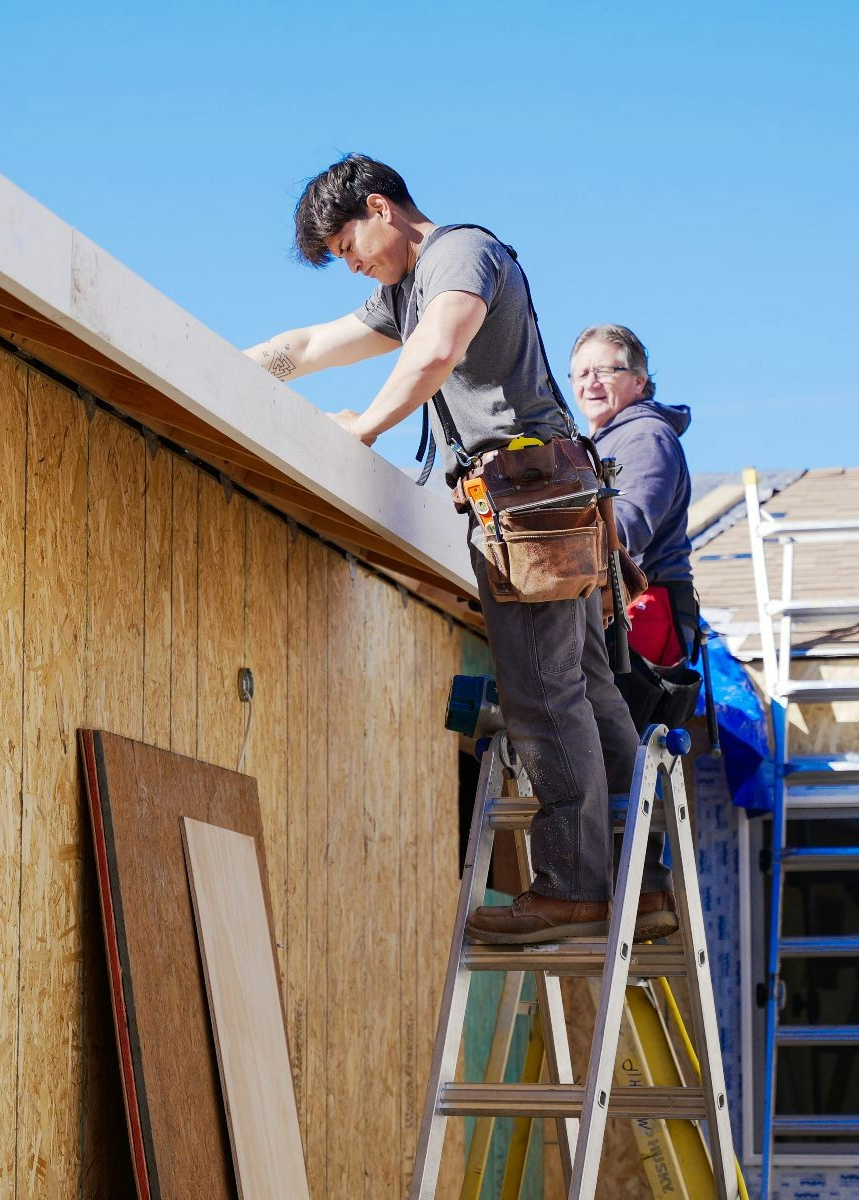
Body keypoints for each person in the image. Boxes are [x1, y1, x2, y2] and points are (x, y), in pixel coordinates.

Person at [246, 155, 677, 943]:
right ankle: (639, 887)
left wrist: (365, 427)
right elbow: (313, 343)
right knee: (583, 685)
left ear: (381, 207)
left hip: (530, 506)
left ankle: (577, 887)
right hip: (545, 500)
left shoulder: (458, 255)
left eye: (351, 246)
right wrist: (242, 373)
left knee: (544, 696)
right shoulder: (405, 289)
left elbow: (437, 350)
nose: (354, 266)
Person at [569, 325, 701, 727]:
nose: (591, 383)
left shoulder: (645, 437)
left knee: (612, 748)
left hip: (643, 608)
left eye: (605, 371)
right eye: (581, 373)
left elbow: (627, 526)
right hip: (619, 604)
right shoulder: (603, 442)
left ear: (639, 381)